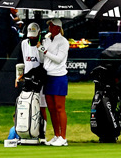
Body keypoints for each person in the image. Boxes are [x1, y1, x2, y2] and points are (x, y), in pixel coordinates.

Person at [40, 18, 70, 146]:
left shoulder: (63, 42)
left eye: (51, 26)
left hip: (59, 76)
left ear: (58, 28)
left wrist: (45, 51)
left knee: (59, 108)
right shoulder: (46, 40)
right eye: (49, 25)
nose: (49, 28)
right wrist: (41, 48)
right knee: (51, 108)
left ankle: (63, 137)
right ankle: (56, 135)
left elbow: (58, 59)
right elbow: (43, 58)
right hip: (48, 76)